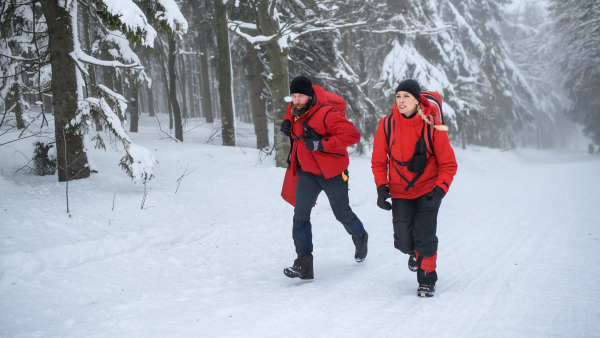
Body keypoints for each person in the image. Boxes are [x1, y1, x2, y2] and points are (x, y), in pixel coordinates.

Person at [371, 79, 457, 297]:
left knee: (425, 236)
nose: (401, 101)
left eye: (406, 96)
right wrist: (382, 188)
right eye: (398, 96)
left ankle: (427, 279)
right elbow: (379, 161)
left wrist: (439, 191)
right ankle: (415, 253)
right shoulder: (386, 125)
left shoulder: (433, 126)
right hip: (400, 191)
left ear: (417, 100)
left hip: (428, 189)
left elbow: (448, 164)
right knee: (402, 240)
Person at [280, 76, 368, 280]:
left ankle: (361, 236)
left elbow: (353, 135)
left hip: (333, 172)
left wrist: (322, 144)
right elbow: (291, 110)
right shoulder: (295, 110)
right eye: (293, 95)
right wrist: (286, 121)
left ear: (310, 96)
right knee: (300, 215)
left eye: (301, 95)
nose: (296, 100)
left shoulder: (327, 114)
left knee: (342, 213)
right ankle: (303, 264)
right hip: (307, 172)